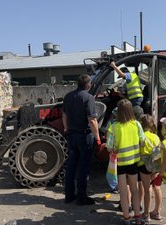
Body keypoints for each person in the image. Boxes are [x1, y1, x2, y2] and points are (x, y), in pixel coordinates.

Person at [62, 74, 101, 206]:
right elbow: (92, 120)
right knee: (83, 168)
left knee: (71, 167)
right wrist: (98, 138)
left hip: (71, 136)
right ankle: (81, 197)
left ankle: (69, 195)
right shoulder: (88, 98)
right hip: (84, 136)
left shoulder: (68, 96)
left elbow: (64, 116)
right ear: (88, 85)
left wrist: (67, 129)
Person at [106, 99, 145, 225]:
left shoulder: (113, 127)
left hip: (121, 164)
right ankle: (138, 218)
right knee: (134, 189)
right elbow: (143, 141)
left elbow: (109, 147)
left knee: (123, 192)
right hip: (133, 162)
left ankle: (127, 219)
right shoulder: (137, 124)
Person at [138, 114, 163, 222]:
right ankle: (157, 211)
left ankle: (146, 214)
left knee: (146, 189)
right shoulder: (156, 137)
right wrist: (156, 170)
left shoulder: (141, 136)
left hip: (143, 165)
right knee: (156, 188)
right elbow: (158, 154)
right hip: (154, 165)